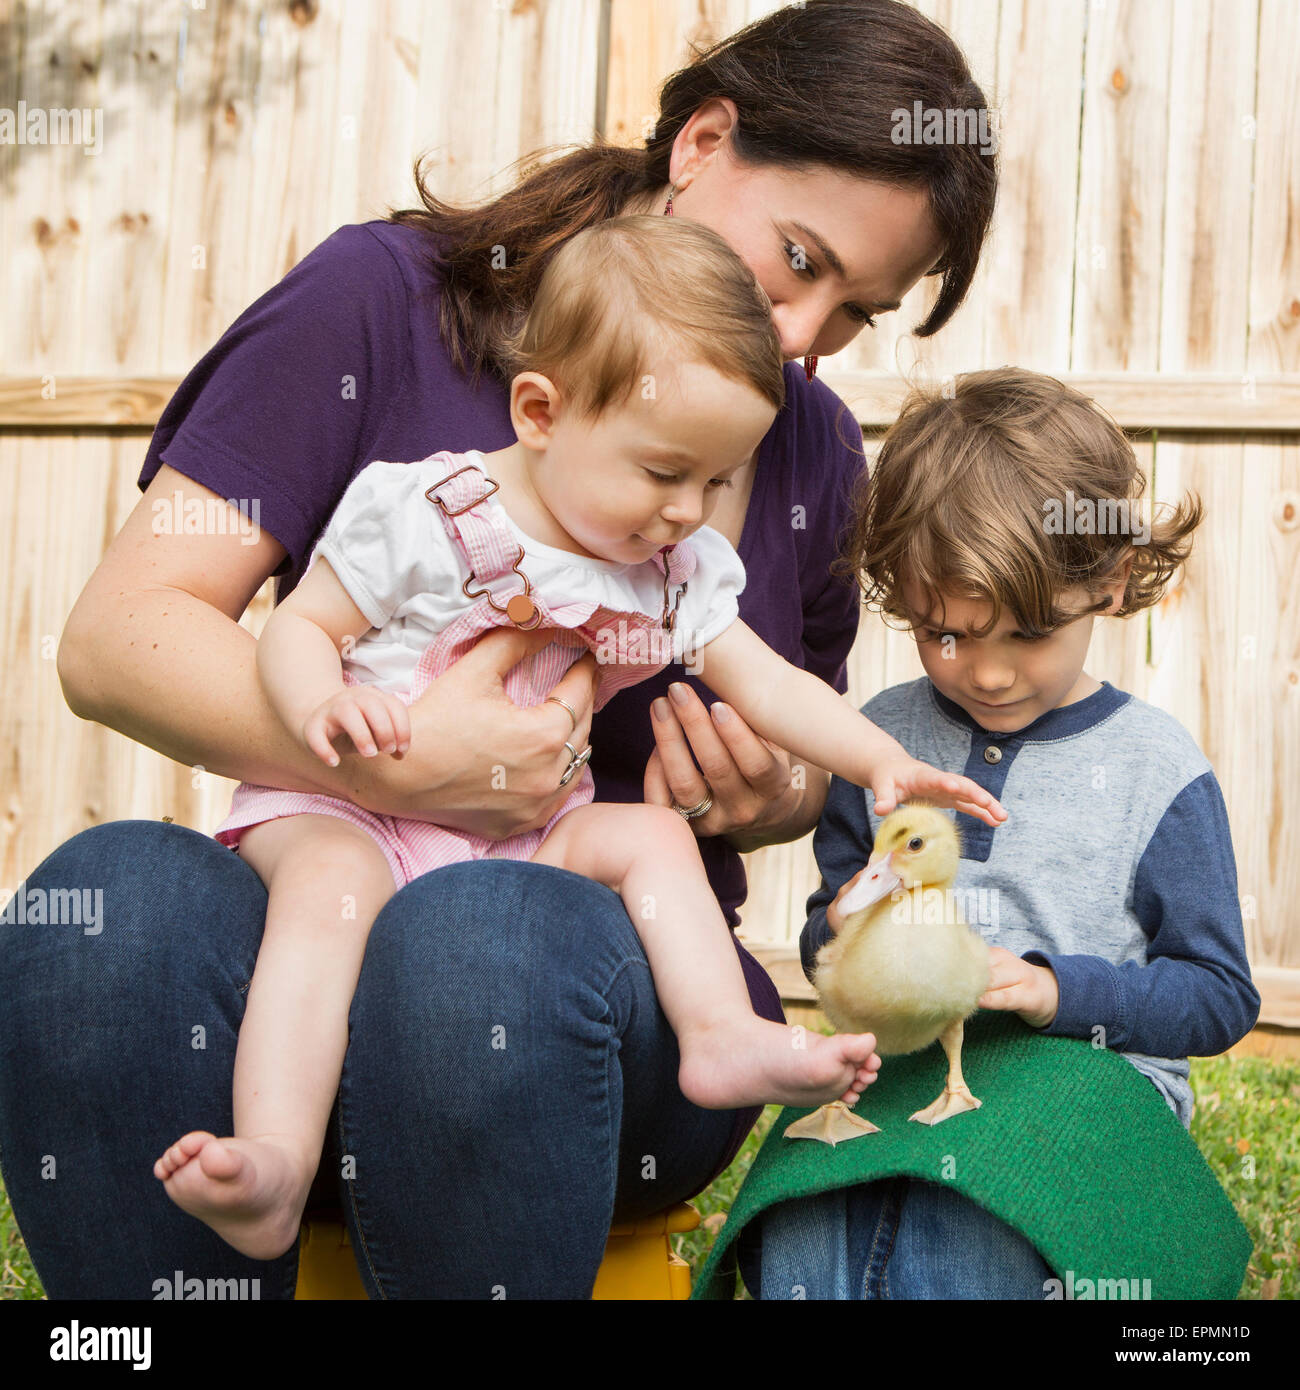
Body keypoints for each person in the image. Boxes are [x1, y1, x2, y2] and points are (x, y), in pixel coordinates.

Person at [2, 0, 1000, 1297]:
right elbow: (116, 637)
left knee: (480, 936)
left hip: (584, 1005)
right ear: (702, 140)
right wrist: (406, 766)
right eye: (800, 257)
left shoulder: (803, 439)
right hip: (339, 903)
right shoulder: (377, 307)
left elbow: (790, 728)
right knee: (110, 909)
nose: (807, 335)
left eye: (856, 311)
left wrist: (781, 792)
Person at [153, 216, 1011, 1260]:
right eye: (663, 472)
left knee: (646, 839)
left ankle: (716, 1035)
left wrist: (877, 759)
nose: (686, 511)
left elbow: (768, 680)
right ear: (541, 412)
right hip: (351, 808)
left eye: (713, 481)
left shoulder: (667, 563)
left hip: (515, 844)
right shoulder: (429, 510)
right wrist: (319, 708)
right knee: (328, 894)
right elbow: (299, 625)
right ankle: (277, 1161)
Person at [738, 368, 1261, 1299]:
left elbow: (1218, 996)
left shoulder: (1155, 768)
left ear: (1112, 579)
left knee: (963, 1226)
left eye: (1025, 635)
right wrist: (854, 928)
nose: (984, 673)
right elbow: (828, 927)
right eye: (945, 634)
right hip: (904, 1059)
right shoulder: (881, 741)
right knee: (805, 1219)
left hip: (1083, 1073)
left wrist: (1052, 988)